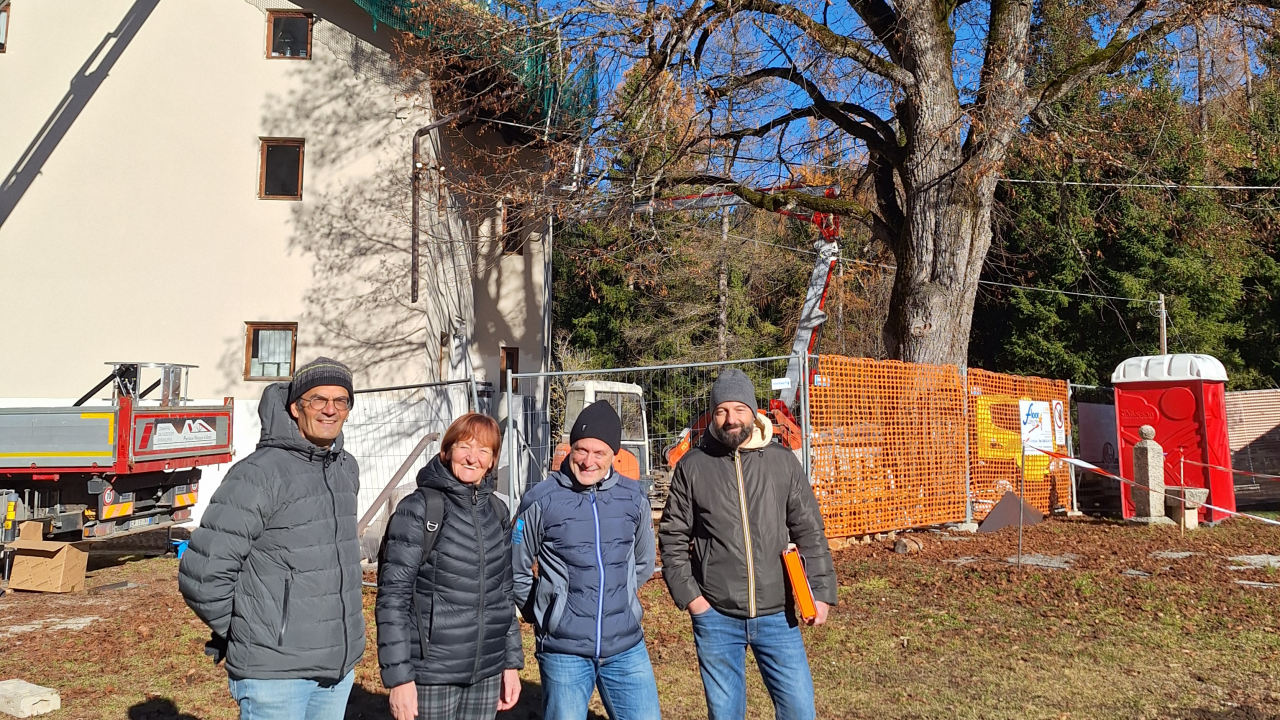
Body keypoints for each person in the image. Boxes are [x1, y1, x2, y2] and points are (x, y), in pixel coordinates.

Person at [179, 357, 365, 720]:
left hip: (337, 670)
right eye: (318, 400)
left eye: (341, 401)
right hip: (275, 678)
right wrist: (251, 631)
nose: (330, 410)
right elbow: (203, 574)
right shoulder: (259, 473)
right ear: (296, 408)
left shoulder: (346, 468)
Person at [658, 369, 837, 720]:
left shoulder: (782, 461)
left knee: (800, 711)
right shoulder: (693, 466)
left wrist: (821, 590)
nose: (730, 419)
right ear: (713, 414)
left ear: (753, 413)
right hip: (717, 615)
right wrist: (693, 601)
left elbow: (809, 531)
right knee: (725, 714)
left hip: (778, 613)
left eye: (739, 409)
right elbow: (672, 536)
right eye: (722, 410)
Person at [512, 400, 660, 720]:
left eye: (599, 453)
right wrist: (545, 612)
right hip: (564, 650)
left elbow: (644, 561)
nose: (588, 461)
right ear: (570, 448)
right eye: (581, 450)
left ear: (613, 455)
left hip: (626, 646)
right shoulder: (541, 499)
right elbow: (516, 567)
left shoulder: (633, 497)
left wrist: (621, 598)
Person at [376, 413, 524, 720]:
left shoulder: (497, 511)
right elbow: (393, 598)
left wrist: (510, 663)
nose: (473, 458)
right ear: (446, 451)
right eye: (464, 447)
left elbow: (503, 595)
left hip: (485, 674)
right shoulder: (419, 509)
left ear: (493, 460)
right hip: (432, 676)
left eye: (484, 450)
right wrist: (399, 678)